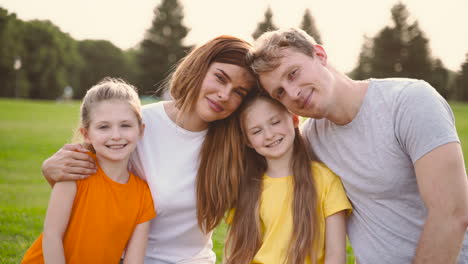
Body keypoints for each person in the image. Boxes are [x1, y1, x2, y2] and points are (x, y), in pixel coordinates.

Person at [246, 28, 468, 264]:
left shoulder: (409, 101)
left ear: (319, 55)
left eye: (293, 73)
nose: (293, 93)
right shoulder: (310, 140)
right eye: (279, 92)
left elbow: (452, 213)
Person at [40, 35, 257, 263]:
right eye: (220, 78)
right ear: (199, 68)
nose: (224, 95)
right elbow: (84, 184)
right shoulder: (136, 125)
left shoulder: (236, 143)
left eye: (239, 92)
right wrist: (49, 169)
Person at [21, 78, 156, 263]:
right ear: (86, 134)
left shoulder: (143, 195)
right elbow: (52, 237)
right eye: (103, 127)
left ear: (140, 131)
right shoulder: (73, 174)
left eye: (125, 125)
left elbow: (134, 259)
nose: (116, 136)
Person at [223, 93, 351, 264]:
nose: (269, 135)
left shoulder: (325, 180)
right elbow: (233, 255)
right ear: (247, 140)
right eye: (256, 131)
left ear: (294, 120)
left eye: (275, 122)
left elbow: (335, 255)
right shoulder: (246, 188)